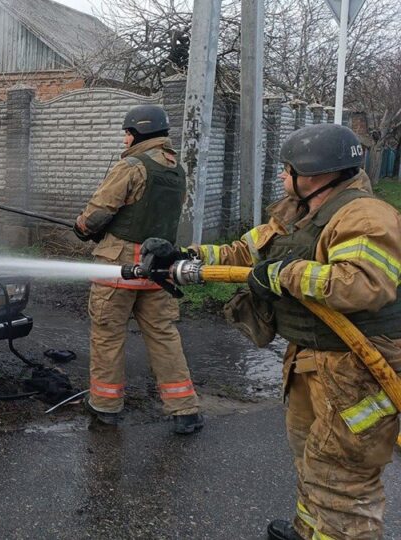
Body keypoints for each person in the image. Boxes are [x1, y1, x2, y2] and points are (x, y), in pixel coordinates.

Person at [142, 123, 401, 539]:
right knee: (310, 458)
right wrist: (185, 257)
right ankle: (308, 530)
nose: (282, 176)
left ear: (316, 172)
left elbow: (362, 284)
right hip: (310, 360)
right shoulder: (299, 211)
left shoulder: (365, 216)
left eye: (287, 168)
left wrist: (285, 275)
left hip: (356, 370)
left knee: (343, 480)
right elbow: (245, 253)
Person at [74, 104, 203, 434]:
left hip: (119, 268)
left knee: (108, 335)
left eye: (127, 132)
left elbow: (101, 210)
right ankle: (184, 410)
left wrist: (83, 227)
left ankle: (105, 406)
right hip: (159, 269)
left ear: (137, 133)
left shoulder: (132, 165)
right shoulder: (176, 169)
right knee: (163, 336)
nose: (125, 138)